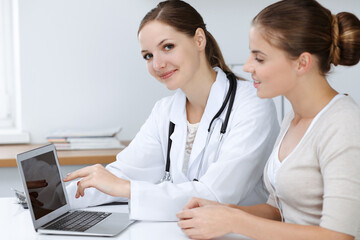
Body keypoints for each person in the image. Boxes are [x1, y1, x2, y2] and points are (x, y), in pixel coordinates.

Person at [63, 0, 279, 221]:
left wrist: (125, 187)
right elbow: (122, 173)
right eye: (148, 55)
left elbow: (214, 196)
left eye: (168, 47)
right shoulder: (164, 111)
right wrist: (51, 198)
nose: (157, 64)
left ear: (199, 40)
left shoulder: (252, 103)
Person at [177, 0, 360, 239]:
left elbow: (338, 236)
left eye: (260, 58)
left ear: (302, 63)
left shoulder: (343, 124)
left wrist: (235, 221)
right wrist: (223, 211)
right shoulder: (292, 119)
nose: (247, 66)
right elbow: (279, 210)